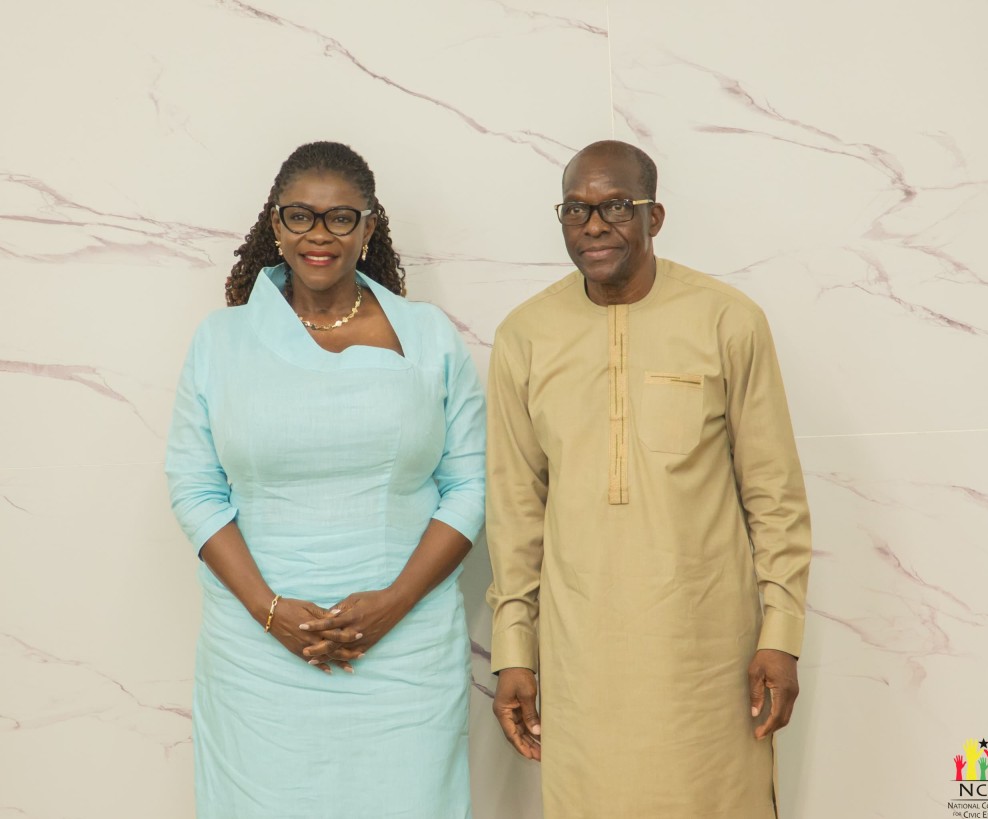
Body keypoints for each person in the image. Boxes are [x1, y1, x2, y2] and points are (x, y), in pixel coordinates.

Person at [485, 140, 811, 818]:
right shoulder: (525, 336)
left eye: (614, 207)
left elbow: (774, 496)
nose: (593, 226)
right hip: (581, 657)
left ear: (653, 217)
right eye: (576, 210)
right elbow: (515, 511)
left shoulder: (728, 320)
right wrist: (514, 647)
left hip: (707, 654)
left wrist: (780, 633)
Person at [166, 141, 484, 818]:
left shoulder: (427, 336)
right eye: (301, 216)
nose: (319, 234)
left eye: (341, 218)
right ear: (275, 225)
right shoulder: (221, 341)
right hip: (257, 656)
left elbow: (470, 483)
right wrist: (270, 611)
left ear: (368, 227)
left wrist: (394, 603)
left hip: (406, 652)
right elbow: (195, 488)